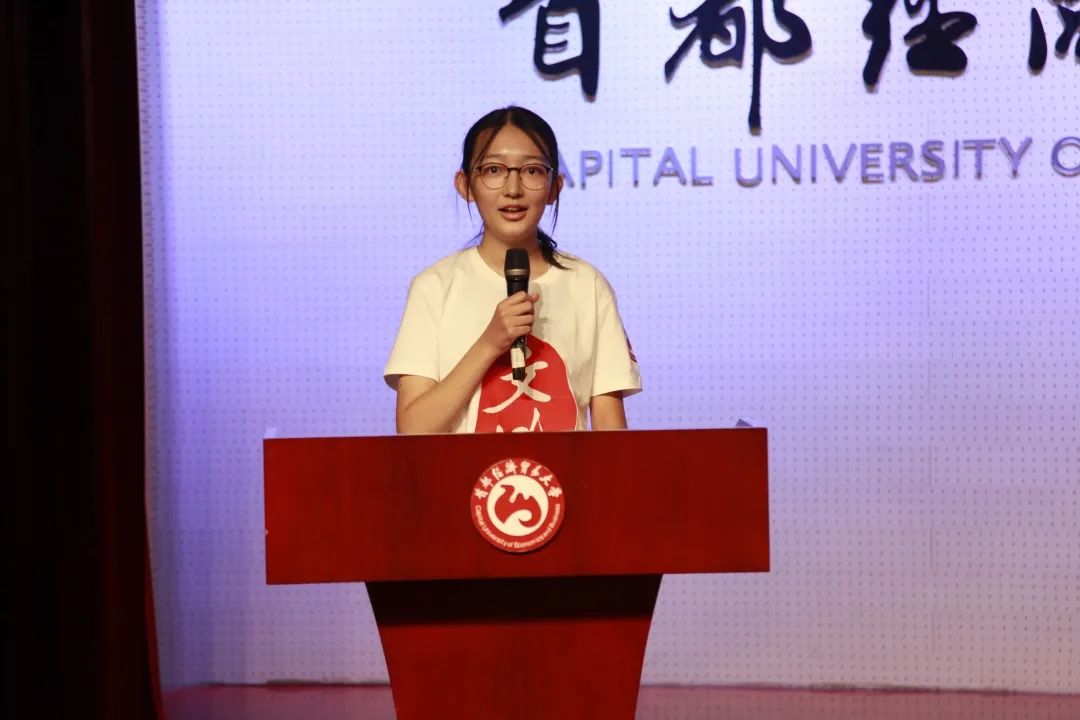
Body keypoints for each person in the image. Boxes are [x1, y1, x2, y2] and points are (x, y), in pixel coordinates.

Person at [384, 106, 640, 434]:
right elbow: (413, 430)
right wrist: (490, 343)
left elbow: (611, 433)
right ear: (465, 184)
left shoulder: (587, 285)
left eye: (532, 171)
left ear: (554, 186)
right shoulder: (434, 287)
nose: (513, 189)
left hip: (563, 470)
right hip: (463, 470)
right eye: (493, 170)